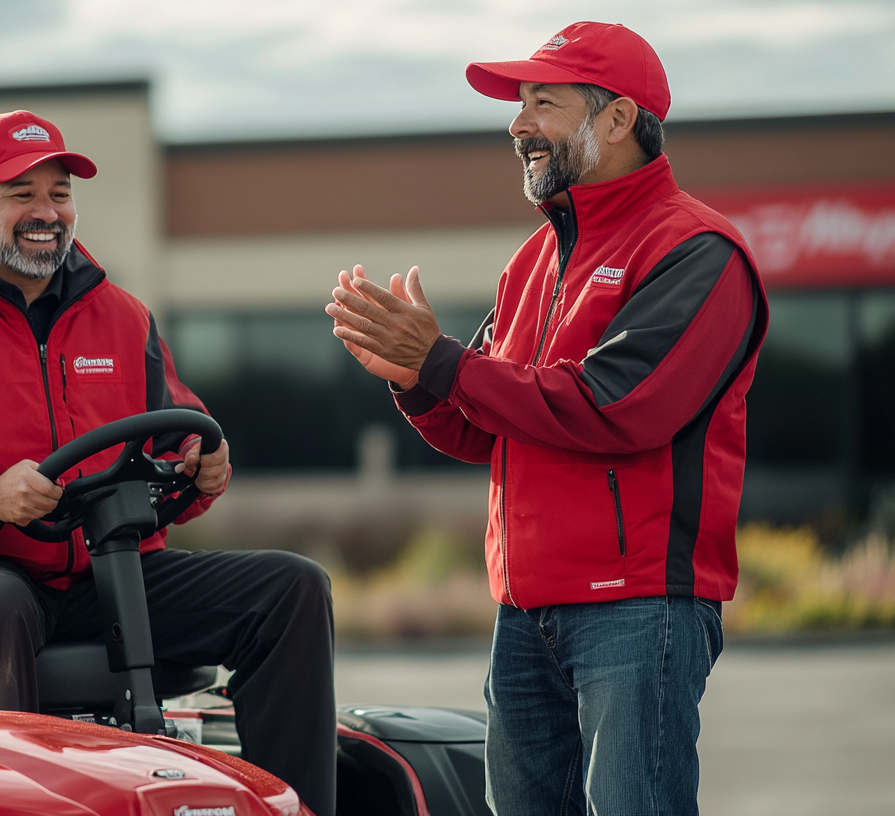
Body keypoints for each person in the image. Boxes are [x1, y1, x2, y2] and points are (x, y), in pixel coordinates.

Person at [325, 22, 768, 816]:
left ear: (618, 118)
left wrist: (443, 362)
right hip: (524, 614)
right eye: (520, 103)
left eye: (543, 102)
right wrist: (417, 383)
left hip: (638, 612)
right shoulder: (533, 261)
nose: (517, 123)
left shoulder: (699, 252)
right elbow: (482, 429)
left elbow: (616, 408)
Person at [0, 110, 335, 816]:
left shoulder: (124, 318)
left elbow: (176, 438)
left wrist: (203, 468)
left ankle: (299, 806)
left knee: (292, 589)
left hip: (108, 571)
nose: (47, 212)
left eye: (60, 193)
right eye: (21, 194)